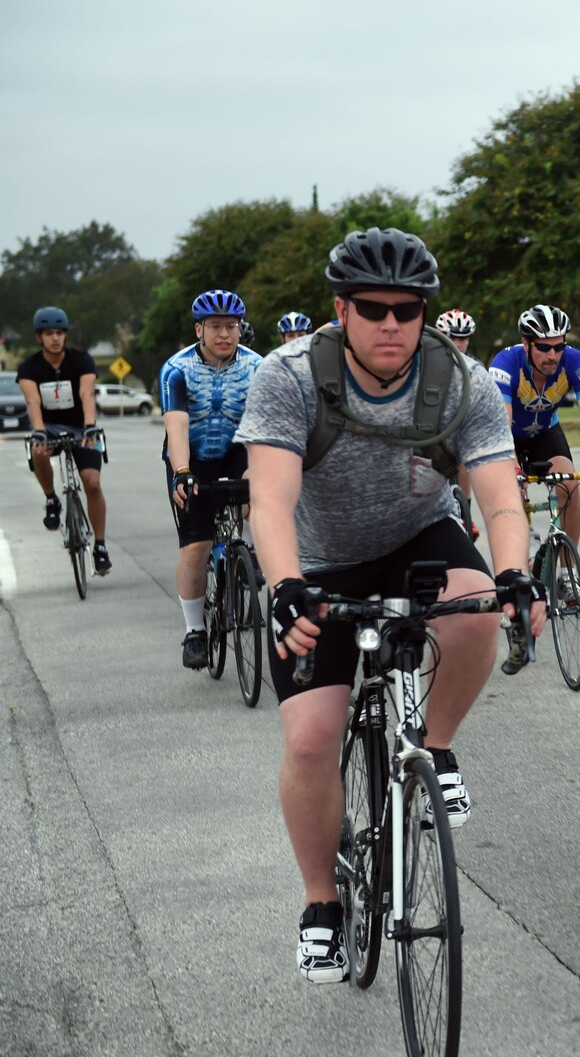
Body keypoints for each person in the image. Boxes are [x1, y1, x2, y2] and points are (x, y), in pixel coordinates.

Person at [235, 227, 545, 984]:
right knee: (311, 740)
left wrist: (516, 574)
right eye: (371, 308)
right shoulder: (289, 376)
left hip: (418, 536)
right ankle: (321, 906)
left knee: (476, 604)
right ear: (340, 308)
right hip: (315, 563)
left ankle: (433, 748)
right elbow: (269, 498)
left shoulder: (464, 381)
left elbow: (501, 497)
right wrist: (283, 588)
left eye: (407, 310)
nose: (390, 324)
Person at [160, 289, 264, 668]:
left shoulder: (257, 366)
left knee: (261, 485)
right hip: (192, 452)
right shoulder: (177, 369)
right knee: (196, 545)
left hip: (238, 447)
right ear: (199, 329)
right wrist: (182, 473)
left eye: (232, 326)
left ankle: (249, 553)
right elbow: (177, 424)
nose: (225, 334)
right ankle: (194, 631)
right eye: (216, 326)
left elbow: (263, 426)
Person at [488, 305, 580, 549]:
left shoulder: (576, 361)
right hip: (507, 435)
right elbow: (501, 423)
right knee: (510, 494)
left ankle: (568, 571)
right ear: (526, 344)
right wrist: (514, 467)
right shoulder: (505, 362)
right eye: (544, 347)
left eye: (559, 347)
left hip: (545, 432)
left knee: (568, 486)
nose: (553, 355)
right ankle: (517, 558)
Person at [18, 306, 110, 574]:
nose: (55, 338)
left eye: (59, 333)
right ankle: (51, 499)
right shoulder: (29, 367)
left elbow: (87, 393)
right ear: (39, 337)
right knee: (37, 449)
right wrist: (38, 430)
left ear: (66, 335)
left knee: (92, 483)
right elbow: (32, 400)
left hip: (82, 427)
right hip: (48, 427)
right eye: (49, 333)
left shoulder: (82, 360)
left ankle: (100, 546)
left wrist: (91, 426)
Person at [435, 308, 483, 537]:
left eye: (463, 338)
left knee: (464, 456)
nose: (458, 343)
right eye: (453, 337)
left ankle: (467, 514)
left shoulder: (475, 367)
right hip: (432, 429)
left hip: (460, 426)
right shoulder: (427, 361)